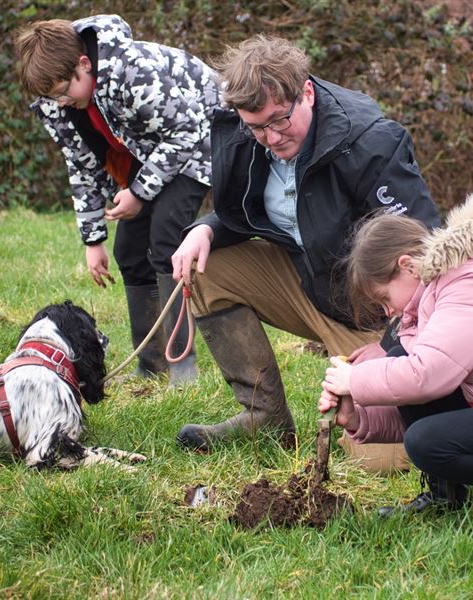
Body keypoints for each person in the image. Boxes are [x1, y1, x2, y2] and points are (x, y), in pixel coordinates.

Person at [171, 33, 439, 465]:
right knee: (204, 268)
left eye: (279, 120)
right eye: (257, 127)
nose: (272, 138)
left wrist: (394, 347)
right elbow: (247, 211)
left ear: (307, 92)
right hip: (307, 285)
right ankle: (265, 417)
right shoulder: (249, 138)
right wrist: (206, 228)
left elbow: (426, 253)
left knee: (375, 459)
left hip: (375, 314)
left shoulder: (370, 143)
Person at [15, 15, 219, 385]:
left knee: (166, 240)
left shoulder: (132, 70)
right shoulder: (60, 104)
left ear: (83, 64)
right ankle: (150, 364)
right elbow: (82, 167)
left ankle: (182, 365)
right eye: (51, 96)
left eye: (64, 90)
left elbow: (187, 132)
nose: (61, 102)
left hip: (203, 139)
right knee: (129, 251)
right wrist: (93, 239)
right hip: (154, 151)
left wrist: (140, 193)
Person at [318, 194, 473, 515]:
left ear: (408, 265)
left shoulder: (470, 281)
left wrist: (354, 380)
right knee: (401, 362)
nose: (389, 313)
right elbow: (420, 397)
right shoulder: (432, 301)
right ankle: (446, 495)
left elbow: (427, 376)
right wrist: (358, 418)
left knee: (427, 442)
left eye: (384, 299)